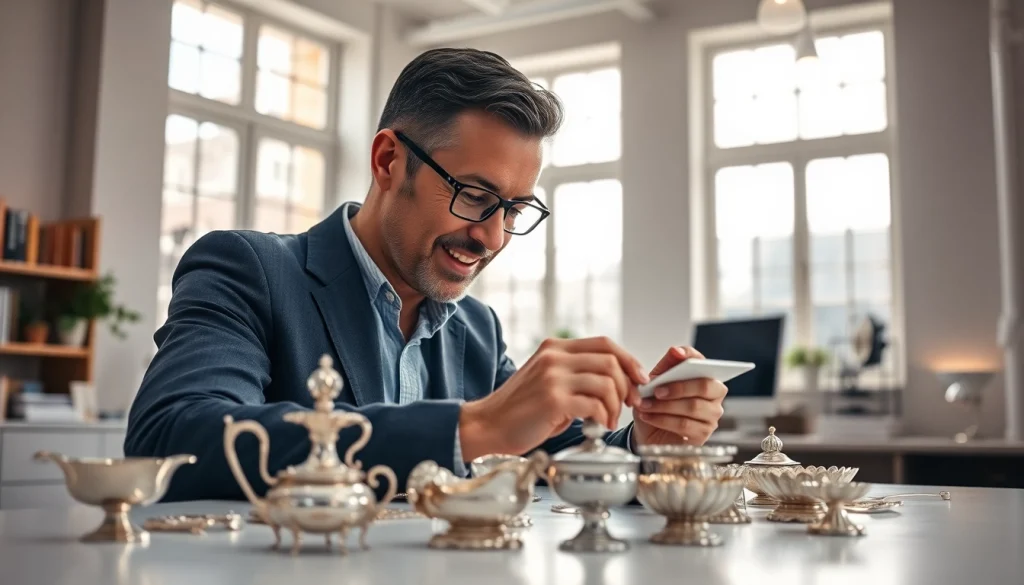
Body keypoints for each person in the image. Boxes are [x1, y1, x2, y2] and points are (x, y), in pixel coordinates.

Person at [125, 47, 726, 502]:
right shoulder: (249, 269)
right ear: (389, 161)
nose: (491, 237)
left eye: (515, 209)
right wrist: (472, 427)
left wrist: (649, 440)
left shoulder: (476, 329)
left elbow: (554, 456)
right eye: (473, 194)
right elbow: (170, 438)